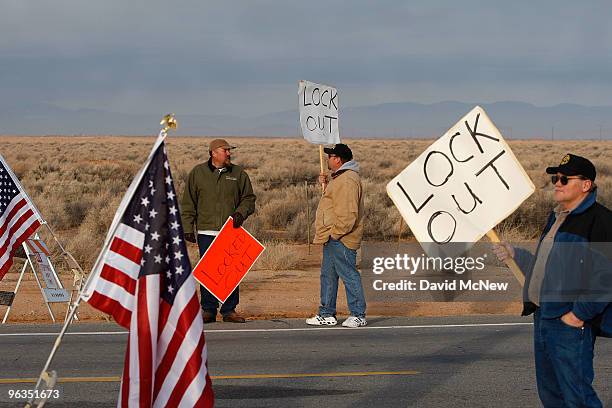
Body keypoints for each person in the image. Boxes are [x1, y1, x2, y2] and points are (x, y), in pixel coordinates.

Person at [493, 153, 612, 407]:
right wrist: (516, 255)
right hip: (543, 316)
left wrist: (578, 315)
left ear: (585, 185)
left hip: (568, 322)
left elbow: (606, 278)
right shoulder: (557, 217)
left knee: (576, 396)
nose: (556, 183)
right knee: (551, 395)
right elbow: (546, 265)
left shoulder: (601, 221)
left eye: (564, 179)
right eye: (555, 178)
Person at [181, 138, 256, 323]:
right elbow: (189, 201)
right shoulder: (198, 173)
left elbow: (248, 198)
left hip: (230, 229)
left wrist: (240, 213)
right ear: (214, 153)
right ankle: (208, 309)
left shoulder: (238, 174)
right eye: (225, 150)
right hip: (206, 229)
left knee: (231, 271)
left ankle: (229, 310)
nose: (229, 153)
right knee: (209, 272)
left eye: (229, 151)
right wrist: (187, 227)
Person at [306, 143, 367, 328]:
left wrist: (336, 234)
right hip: (333, 237)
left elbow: (348, 213)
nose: (328, 160)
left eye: (330, 157)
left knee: (349, 274)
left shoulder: (347, 180)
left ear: (338, 159)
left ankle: (358, 314)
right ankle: (326, 313)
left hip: (342, 238)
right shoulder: (340, 178)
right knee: (328, 276)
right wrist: (326, 184)